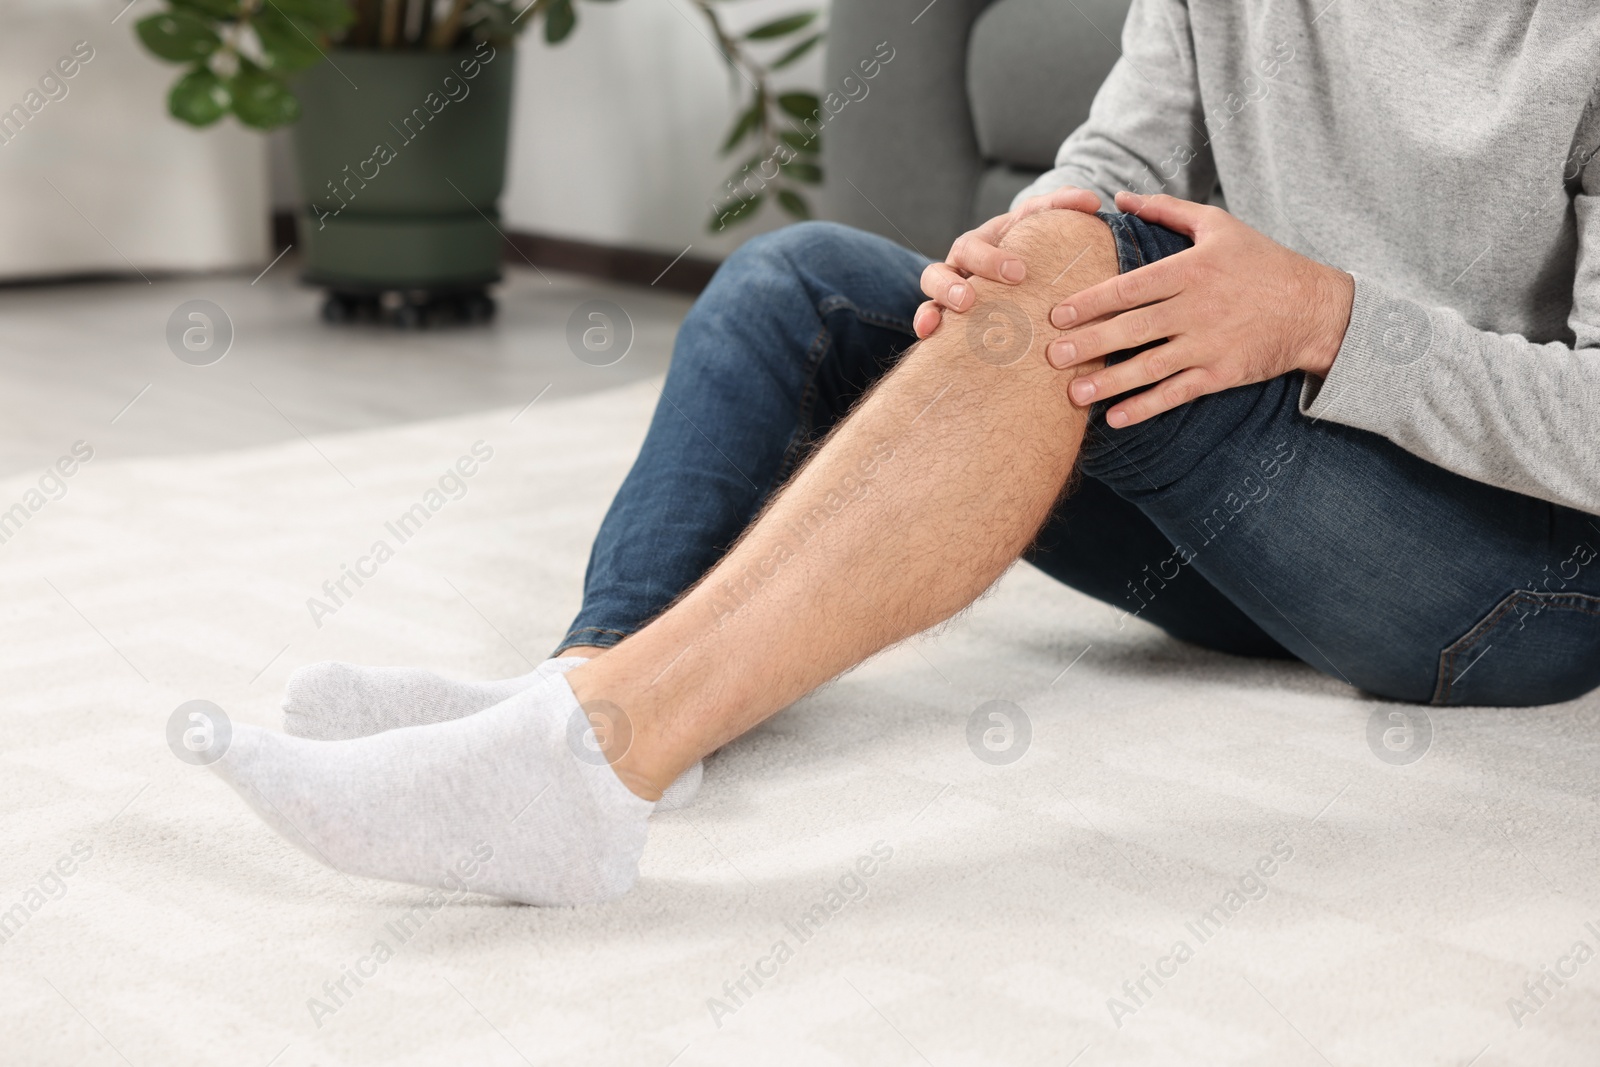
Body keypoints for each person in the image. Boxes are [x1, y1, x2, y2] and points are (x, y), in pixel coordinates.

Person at [210, 0, 1600, 905]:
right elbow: (1105, 169)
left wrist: (1323, 316)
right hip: (1260, 511)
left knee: (1083, 275)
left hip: (1510, 575)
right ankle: (594, 691)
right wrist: (1005, 266)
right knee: (796, 280)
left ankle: (593, 752)